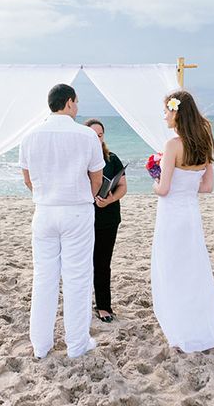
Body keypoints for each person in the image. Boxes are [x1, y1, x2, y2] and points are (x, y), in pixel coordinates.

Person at [19, 84, 105, 359]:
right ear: (68, 103)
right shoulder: (86, 135)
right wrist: (83, 197)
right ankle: (76, 345)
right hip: (77, 211)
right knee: (77, 278)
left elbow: (28, 179)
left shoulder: (30, 136)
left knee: (44, 278)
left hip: (44, 211)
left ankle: (41, 346)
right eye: (76, 103)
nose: (77, 108)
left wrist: (47, 195)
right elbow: (97, 178)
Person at [151, 90, 214, 352]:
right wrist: (185, 185)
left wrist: (155, 180)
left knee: (173, 270)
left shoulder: (172, 145)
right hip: (191, 215)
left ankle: (180, 328)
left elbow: (163, 189)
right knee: (194, 271)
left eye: (166, 111)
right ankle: (199, 326)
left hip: (171, 215)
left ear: (176, 112)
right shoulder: (204, 143)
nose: (164, 116)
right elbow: (207, 187)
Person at [85, 118, 127, 323]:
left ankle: (103, 306)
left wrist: (110, 199)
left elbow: (123, 187)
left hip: (108, 217)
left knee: (102, 263)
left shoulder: (112, 159)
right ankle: (82, 303)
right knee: (83, 263)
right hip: (83, 218)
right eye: (93, 135)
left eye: (100, 135)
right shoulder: (79, 159)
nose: (97, 139)